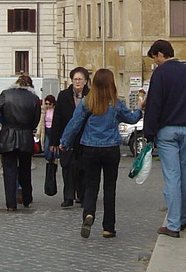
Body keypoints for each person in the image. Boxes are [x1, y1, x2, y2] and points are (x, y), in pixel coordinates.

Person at [60, 68, 142, 239]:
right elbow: (133, 119)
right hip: (111, 149)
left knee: (91, 186)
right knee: (109, 188)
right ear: (111, 83)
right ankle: (108, 227)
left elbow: (74, 124)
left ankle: (88, 214)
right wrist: (140, 107)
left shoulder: (86, 102)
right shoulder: (116, 104)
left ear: (93, 83)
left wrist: (64, 143)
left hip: (89, 148)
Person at [143, 40, 186, 238]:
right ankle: (184, 217)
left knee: (172, 177)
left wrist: (149, 134)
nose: (156, 63)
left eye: (155, 59)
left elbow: (154, 105)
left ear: (159, 54)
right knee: (184, 175)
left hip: (167, 131)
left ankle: (173, 224)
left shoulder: (160, 73)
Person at [0, 73, 41, 211]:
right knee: (25, 169)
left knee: (9, 170)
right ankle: (26, 198)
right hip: (25, 135)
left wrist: (3, 121)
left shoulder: (6, 94)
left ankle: (10, 204)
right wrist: (28, 128)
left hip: (8, 134)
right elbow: (36, 120)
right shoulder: (34, 98)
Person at [49, 67, 90, 208]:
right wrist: (54, 141)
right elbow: (57, 119)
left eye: (80, 79)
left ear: (86, 81)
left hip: (85, 138)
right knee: (67, 168)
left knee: (83, 168)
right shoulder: (63, 96)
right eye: (75, 79)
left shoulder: (90, 96)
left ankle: (83, 196)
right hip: (67, 138)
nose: (77, 82)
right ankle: (68, 197)